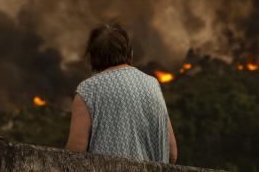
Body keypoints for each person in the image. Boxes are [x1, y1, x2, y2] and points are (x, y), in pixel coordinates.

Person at [65, 22, 178, 164]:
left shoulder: (88, 90)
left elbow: (75, 153)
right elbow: (172, 153)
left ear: (92, 57)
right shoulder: (153, 85)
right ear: (129, 53)